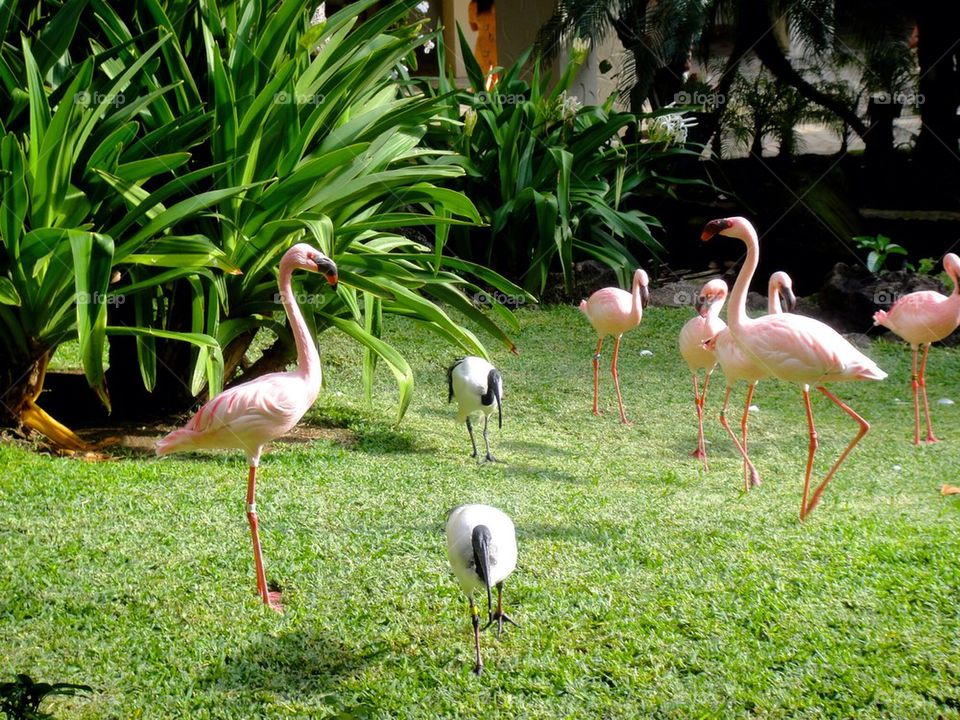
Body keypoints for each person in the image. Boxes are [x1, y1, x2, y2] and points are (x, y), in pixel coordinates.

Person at [468, 0, 497, 87]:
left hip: (482, 46)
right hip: (497, 45)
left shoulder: (473, 5)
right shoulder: (499, 4)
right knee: (499, 75)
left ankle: (481, 98)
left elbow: (473, 27)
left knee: (482, 76)